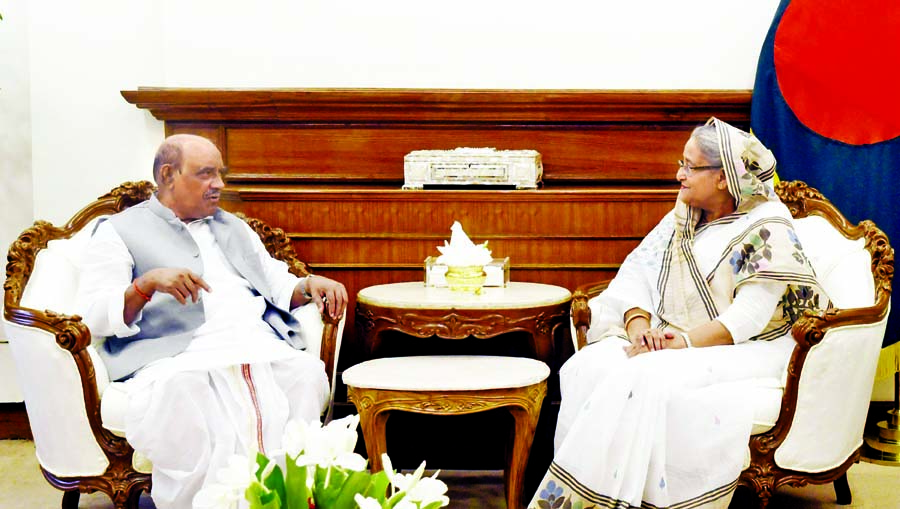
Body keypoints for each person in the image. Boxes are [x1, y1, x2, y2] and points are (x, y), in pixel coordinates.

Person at [529, 118, 828, 509]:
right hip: (668, 338)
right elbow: (639, 271)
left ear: (724, 178)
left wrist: (681, 343)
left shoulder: (767, 227)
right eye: (681, 163)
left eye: (690, 166)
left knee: (645, 375)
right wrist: (639, 327)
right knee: (588, 366)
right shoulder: (685, 217)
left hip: (749, 348)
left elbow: (748, 319)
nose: (679, 175)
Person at [76, 134, 348, 509]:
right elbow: (94, 313)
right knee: (186, 386)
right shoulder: (118, 231)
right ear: (168, 175)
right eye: (205, 174)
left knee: (303, 374)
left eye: (219, 173)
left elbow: (278, 284)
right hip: (175, 354)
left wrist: (309, 284)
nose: (219, 184)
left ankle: (287, 500)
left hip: (252, 341)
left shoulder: (233, 227)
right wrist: (146, 285)